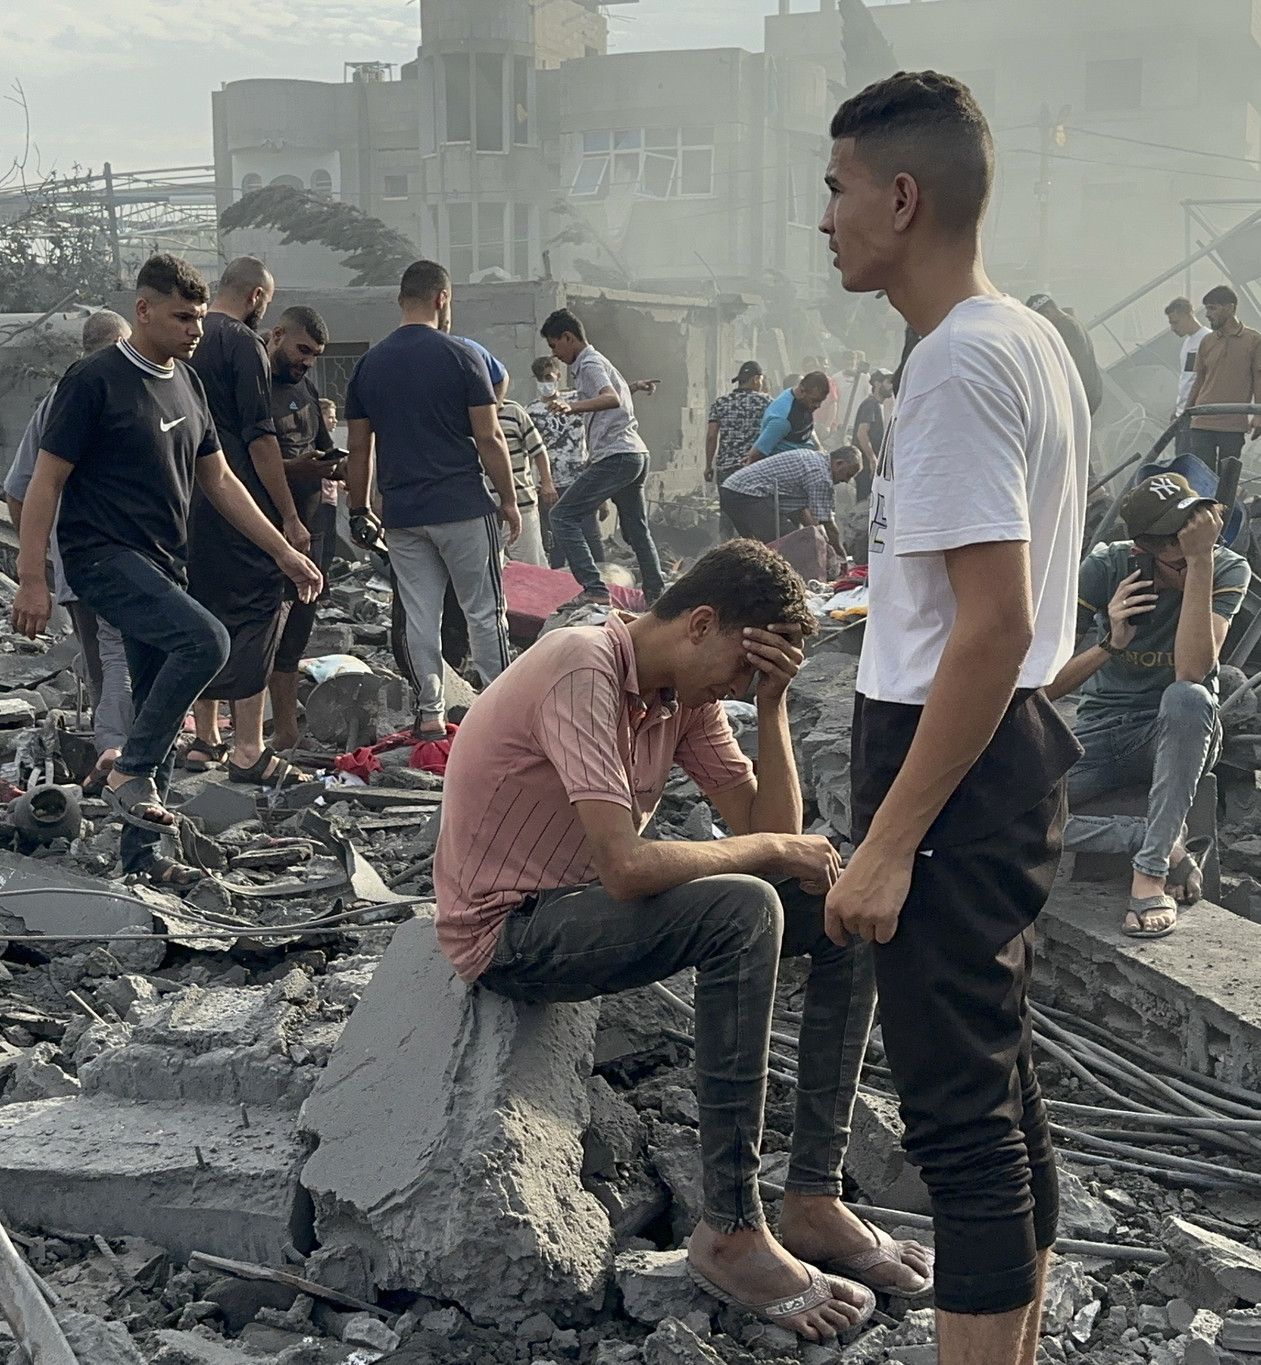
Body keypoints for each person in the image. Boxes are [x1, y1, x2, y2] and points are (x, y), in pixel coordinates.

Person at [435, 539, 926, 1340]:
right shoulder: (583, 663)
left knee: (840, 911)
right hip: (507, 928)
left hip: (578, 906)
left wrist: (771, 709)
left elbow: (773, 829)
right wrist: (771, 853)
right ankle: (730, 1228)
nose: (736, 690)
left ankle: (810, 1197)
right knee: (742, 909)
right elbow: (629, 866)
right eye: (742, 671)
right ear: (701, 623)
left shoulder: (676, 698)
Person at [820, 70, 1090, 1365]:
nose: (825, 219)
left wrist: (887, 841)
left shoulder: (963, 363)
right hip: (997, 749)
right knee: (1001, 1083)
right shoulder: (1018, 335)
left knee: (959, 1119)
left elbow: (991, 622)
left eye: (837, 188)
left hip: (952, 761)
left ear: (903, 196)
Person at [10, 254, 322, 886]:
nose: (195, 330)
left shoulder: (188, 382)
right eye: (182, 316)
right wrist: (32, 576)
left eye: (201, 317)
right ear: (143, 309)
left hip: (163, 561)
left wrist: (283, 551)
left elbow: (222, 480)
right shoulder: (93, 380)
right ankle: (128, 768)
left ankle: (144, 861)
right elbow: (44, 483)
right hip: (101, 557)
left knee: (157, 699)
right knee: (207, 640)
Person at [1049, 472, 1247, 935]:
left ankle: (1151, 870)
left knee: (1188, 698)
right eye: (1180, 557)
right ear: (1146, 550)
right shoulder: (1106, 569)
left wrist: (1199, 565)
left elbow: (1193, 672)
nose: (1201, 556)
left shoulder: (1224, 567)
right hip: (1098, 732)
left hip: (1177, 732)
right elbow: (1041, 689)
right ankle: (1144, 837)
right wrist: (1110, 644)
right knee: (996, 809)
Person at [344, 260, 520, 737]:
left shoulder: (369, 365)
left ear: (401, 300)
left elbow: (360, 448)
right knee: (484, 610)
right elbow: (489, 438)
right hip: (462, 506)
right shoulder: (463, 357)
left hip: (402, 514)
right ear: (442, 299)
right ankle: (501, 712)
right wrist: (508, 498)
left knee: (422, 615)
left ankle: (430, 715)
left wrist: (358, 509)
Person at [184, 258, 316, 787]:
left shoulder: (187, 340)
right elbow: (261, 439)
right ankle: (248, 747)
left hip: (189, 499)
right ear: (258, 297)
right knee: (258, 610)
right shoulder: (243, 344)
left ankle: (204, 738)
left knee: (205, 610)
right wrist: (286, 515)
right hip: (239, 500)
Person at [3, 310, 136, 772]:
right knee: (121, 656)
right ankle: (121, 757)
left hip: (80, 563)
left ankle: (116, 756)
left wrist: (41, 560)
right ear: (122, 342)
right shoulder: (115, 391)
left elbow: (18, 492)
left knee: (105, 664)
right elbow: (25, 490)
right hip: (122, 559)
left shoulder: (61, 398)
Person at [542, 308, 668, 607]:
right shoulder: (599, 362)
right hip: (634, 453)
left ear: (568, 337)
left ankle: (595, 587)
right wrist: (634, 387)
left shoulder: (589, 364)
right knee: (636, 530)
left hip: (619, 455)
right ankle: (657, 594)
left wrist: (573, 408)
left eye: (554, 345)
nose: (556, 354)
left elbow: (610, 398)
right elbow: (619, 397)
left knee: (562, 516)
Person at [263, 306, 343, 755]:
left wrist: (344, 466)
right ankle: (247, 736)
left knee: (297, 628)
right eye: (302, 350)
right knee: (260, 631)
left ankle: (288, 730)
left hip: (312, 532)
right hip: (268, 533)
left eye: (315, 354)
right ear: (277, 336)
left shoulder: (305, 388)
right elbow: (245, 463)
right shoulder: (254, 385)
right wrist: (296, 468)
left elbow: (326, 450)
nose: (307, 360)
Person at [719, 446, 861, 557]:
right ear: (839, 463)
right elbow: (828, 524)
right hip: (746, 494)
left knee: (757, 546)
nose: (846, 481)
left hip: (732, 490)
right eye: (848, 475)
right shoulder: (821, 475)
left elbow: (803, 512)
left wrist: (819, 539)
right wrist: (841, 556)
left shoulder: (816, 459)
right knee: (792, 544)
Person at [1184, 286, 1261, 471]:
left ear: (1229, 308)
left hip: (1233, 424)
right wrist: (1187, 412)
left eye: (1212, 308)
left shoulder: (1254, 340)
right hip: (1203, 421)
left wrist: (1258, 416)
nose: (1207, 314)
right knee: (1203, 476)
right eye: (1206, 308)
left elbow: (1258, 380)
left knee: (1227, 477)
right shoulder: (1207, 341)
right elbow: (1199, 380)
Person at [529, 356, 600, 572]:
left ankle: (604, 582)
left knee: (591, 535)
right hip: (551, 485)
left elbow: (607, 402)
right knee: (556, 540)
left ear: (559, 376)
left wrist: (633, 387)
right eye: (540, 378)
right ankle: (558, 588)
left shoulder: (576, 400)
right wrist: (542, 484)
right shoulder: (531, 411)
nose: (545, 382)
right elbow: (532, 451)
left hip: (581, 480)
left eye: (549, 377)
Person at [500, 384, 556, 568]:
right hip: (486, 510)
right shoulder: (466, 415)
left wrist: (546, 482)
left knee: (532, 566)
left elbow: (538, 450)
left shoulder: (513, 412)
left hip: (521, 503)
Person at [1027, 292, 1103, 414]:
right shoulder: (1073, 321)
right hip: (1090, 389)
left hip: (1082, 393)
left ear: (1048, 312)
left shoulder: (1064, 328)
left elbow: (1066, 362)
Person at [706, 361, 771, 491]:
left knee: (729, 509)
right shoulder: (767, 403)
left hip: (726, 469)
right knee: (753, 509)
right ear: (756, 379)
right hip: (755, 467)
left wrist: (708, 465)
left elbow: (711, 437)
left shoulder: (720, 403)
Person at [752, 372, 833, 461]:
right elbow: (757, 453)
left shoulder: (802, 399)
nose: (818, 405)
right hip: (787, 464)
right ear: (802, 391)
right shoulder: (782, 419)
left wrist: (819, 448)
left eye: (821, 401)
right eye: (815, 400)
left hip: (806, 455)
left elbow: (808, 427)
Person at [1165, 297, 1203, 453]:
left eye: (1176, 322)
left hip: (1195, 415)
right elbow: (1187, 379)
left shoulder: (1206, 339)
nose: (1173, 328)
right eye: (1171, 323)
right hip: (1184, 414)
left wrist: (1190, 408)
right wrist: (1177, 408)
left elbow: (1203, 379)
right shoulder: (1187, 343)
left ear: (1189, 316)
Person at [851, 370, 894, 492]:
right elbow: (862, 433)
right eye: (889, 382)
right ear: (877, 383)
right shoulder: (871, 404)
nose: (892, 387)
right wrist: (872, 459)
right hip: (866, 465)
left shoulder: (878, 405)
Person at [835, 349, 871, 436]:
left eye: (852, 359)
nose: (849, 362)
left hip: (858, 422)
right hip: (842, 423)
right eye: (847, 359)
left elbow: (869, 395)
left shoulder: (864, 377)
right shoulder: (836, 378)